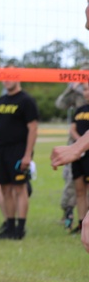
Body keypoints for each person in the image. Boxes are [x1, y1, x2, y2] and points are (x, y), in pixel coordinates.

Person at [0, 71, 38, 241]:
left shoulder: (26, 101)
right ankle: (10, 226)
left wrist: (28, 154)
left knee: (19, 189)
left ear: (18, 77)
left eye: (10, 75)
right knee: (5, 189)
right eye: (4, 76)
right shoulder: (0, 101)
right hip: (1, 150)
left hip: (19, 150)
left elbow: (33, 128)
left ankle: (20, 229)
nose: (6, 79)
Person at [54, 71, 87, 228]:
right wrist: (71, 88)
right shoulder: (78, 102)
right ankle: (72, 216)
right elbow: (60, 104)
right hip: (78, 149)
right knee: (72, 184)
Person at [66, 85, 89, 236]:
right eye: (84, 89)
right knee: (79, 191)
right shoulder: (80, 109)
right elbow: (72, 128)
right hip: (79, 154)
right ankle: (81, 224)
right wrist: (80, 143)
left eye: (88, 89)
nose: (85, 92)